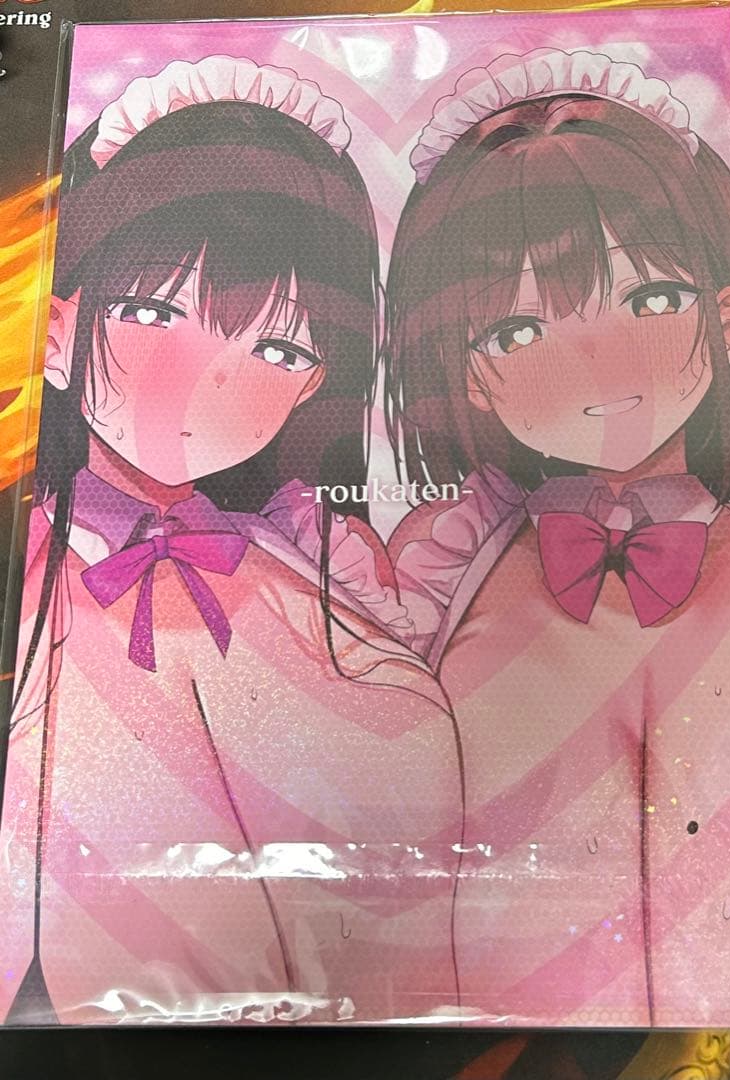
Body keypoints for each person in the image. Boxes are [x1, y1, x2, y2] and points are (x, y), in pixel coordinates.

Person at [0, 56, 463, 1025]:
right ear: (56, 332)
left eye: (277, 349)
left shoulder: (309, 592)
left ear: (312, 385)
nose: (205, 382)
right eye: (150, 312)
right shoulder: (25, 569)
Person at [385, 48, 730, 1027]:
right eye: (518, 332)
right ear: (472, 375)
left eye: (648, 302)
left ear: (728, 321)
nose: (596, 363)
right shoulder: (445, 570)